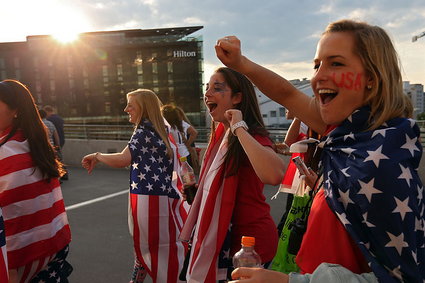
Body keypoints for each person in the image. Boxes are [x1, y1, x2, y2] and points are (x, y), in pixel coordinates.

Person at [216, 20, 424, 282]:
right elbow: (288, 94)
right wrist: (241, 64)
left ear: (372, 78)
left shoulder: (383, 165)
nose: (317, 77)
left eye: (335, 63)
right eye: (317, 66)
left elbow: (404, 278)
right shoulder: (350, 135)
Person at [179, 67, 285, 282]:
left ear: (237, 98)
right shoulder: (221, 137)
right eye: (206, 88)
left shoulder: (248, 134)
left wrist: (238, 126)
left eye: (217, 88)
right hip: (223, 239)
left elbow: (274, 174)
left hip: (250, 246)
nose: (207, 93)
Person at [81, 89, 188, 283]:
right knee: (159, 245)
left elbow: (123, 159)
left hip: (147, 198)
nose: (126, 109)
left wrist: (97, 156)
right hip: (166, 196)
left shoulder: (142, 133)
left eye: (130, 105)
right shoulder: (163, 130)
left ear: (143, 108)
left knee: (147, 245)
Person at [0, 80, 72, 282]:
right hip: (52, 250)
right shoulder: (35, 145)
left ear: (15, 110)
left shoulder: (5, 154)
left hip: (17, 261)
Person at [44, 105, 68, 180]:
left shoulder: (49, 120)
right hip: (62, 139)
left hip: (54, 141)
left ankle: (59, 175)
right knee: (60, 157)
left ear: (48, 111)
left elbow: (53, 133)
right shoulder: (59, 118)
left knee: (56, 159)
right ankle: (64, 174)